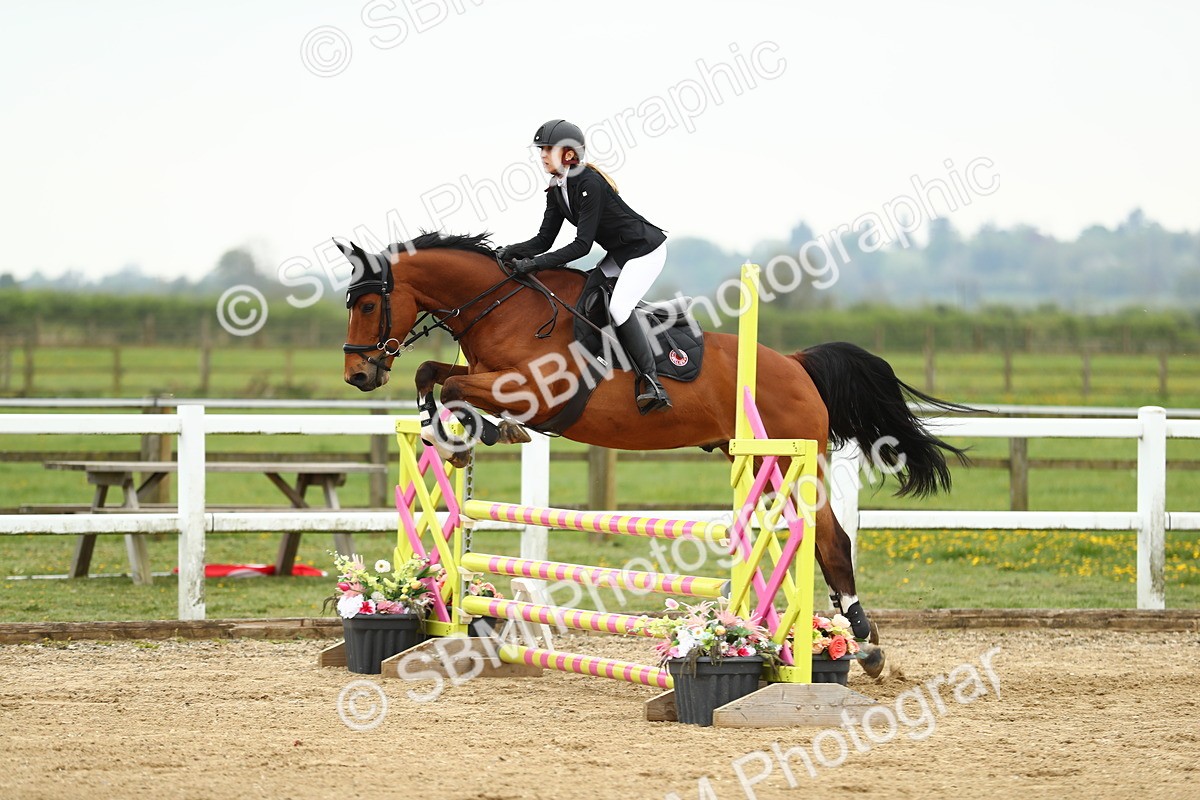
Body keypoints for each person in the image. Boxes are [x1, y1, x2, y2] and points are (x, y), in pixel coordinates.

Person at [497, 119, 671, 414]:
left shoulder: (589, 182)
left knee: (618, 309)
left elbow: (582, 246)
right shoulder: (556, 188)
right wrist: (507, 252)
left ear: (568, 154)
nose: (541, 155)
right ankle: (601, 366)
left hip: (645, 250)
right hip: (620, 252)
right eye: (541, 150)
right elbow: (543, 239)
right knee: (583, 303)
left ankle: (653, 384)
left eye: (547, 149)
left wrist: (534, 265)